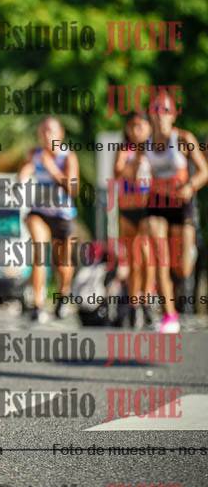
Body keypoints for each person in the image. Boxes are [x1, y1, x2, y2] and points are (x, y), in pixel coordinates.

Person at [143, 91, 207, 333]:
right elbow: (134, 171)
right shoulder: (146, 143)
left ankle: (188, 258)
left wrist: (190, 186)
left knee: (182, 267)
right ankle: (169, 315)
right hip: (157, 204)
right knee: (160, 257)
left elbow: (204, 171)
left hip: (182, 205)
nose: (160, 115)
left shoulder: (183, 138)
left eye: (165, 110)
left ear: (173, 115)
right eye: (156, 110)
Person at [18, 117, 79, 323]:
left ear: (60, 134)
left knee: (63, 266)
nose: (46, 135)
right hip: (40, 212)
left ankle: (63, 295)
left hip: (62, 216)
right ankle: (37, 304)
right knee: (39, 252)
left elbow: (72, 189)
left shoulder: (68, 157)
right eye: (43, 131)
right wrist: (24, 174)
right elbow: (24, 171)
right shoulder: (35, 154)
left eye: (51, 131)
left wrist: (51, 168)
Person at [112, 112, 155, 327]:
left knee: (147, 256)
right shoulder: (124, 149)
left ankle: (147, 299)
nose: (136, 130)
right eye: (132, 126)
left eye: (140, 126)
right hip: (127, 209)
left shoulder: (156, 148)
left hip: (148, 209)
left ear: (149, 127)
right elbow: (118, 173)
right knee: (133, 260)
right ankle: (133, 303)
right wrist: (135, 163)